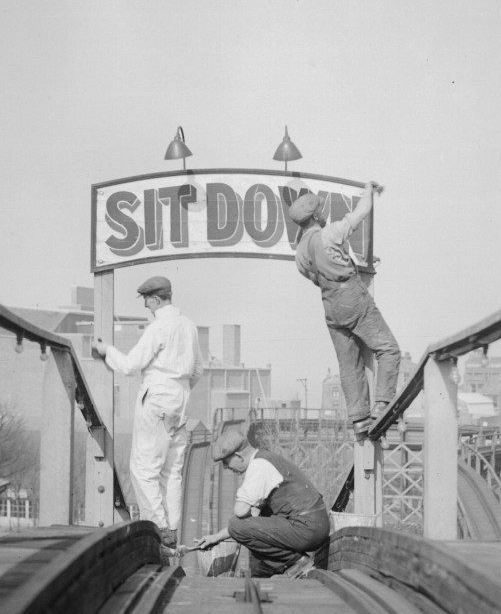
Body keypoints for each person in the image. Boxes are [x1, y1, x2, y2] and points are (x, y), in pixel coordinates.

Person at [93, 275, 204, 549]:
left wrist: (107, 351)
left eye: (146, 300)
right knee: (171, 471)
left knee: (143, 470)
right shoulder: (189, 326)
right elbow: (198, 370)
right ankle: (172, 530)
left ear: (155, 299)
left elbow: (131, 365)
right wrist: (179, 391)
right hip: (180, 402)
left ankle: (158, 528)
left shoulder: (158, 327)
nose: (146, 306)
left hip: (155, 399)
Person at [288, 182, 400, 436]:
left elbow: (316, 277)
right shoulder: (331, 233)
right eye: (321, 210)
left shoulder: (300, 253)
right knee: (388, 349)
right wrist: (368, 191)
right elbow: (361, 213)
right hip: (352, 296)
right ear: (315, 216)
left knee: (349, 365)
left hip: (329, 305)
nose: (324, 213)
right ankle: (383, 405)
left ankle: (359, 420)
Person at [195, 427, 330, 578]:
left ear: (239, 456)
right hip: (313, 525)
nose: (226, 467)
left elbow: (240, 512)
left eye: (226, 461)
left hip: (307, 527)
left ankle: (297, 563)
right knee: (252, 522)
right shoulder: (264, 458)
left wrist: (247, 514)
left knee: (238, 525)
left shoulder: (258, 466)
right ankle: (265, 573)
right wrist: (215, 537)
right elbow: (251, 519)